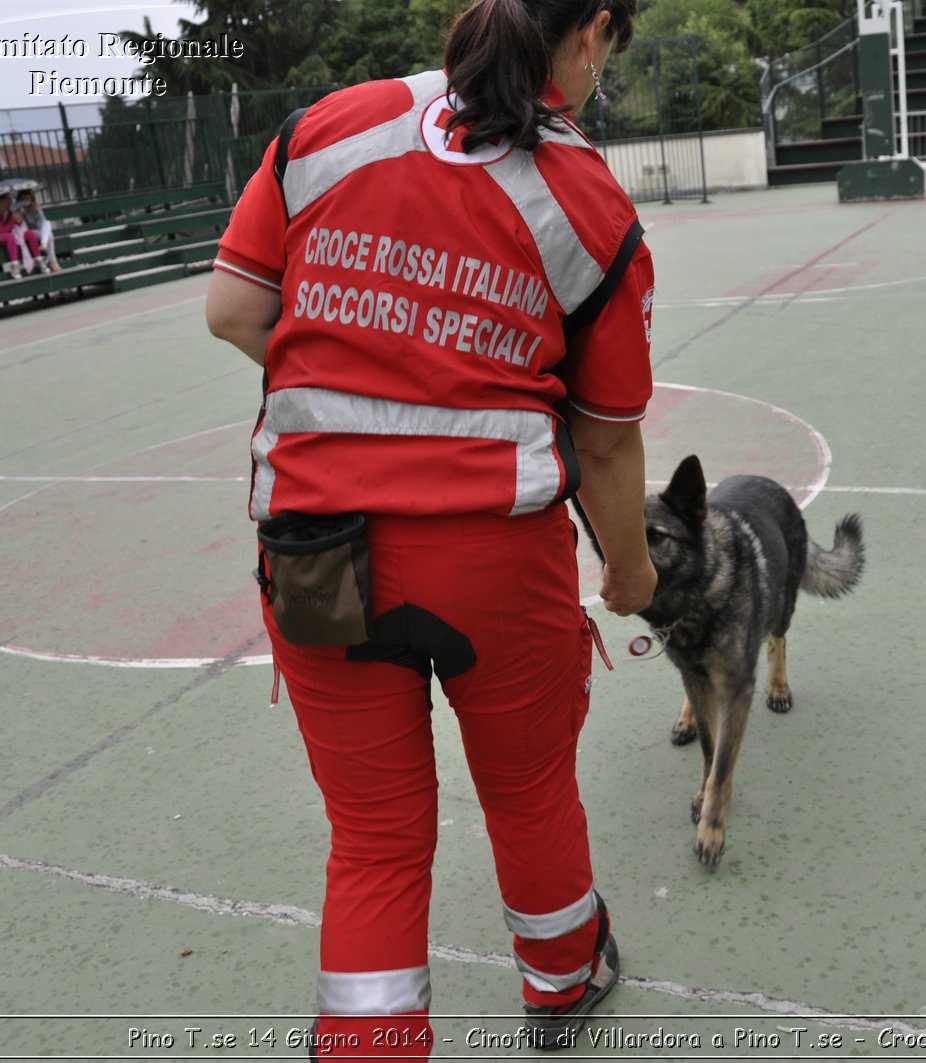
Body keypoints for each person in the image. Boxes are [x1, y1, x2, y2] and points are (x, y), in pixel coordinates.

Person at [204, 0, 655, 1053]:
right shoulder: (587, 201)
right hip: (492, 558)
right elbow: (605, 443)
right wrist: (628, 572)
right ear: (589, 35)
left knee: (372, 841)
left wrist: (361, 370)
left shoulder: (330, 127)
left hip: (316, 549)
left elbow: (233, 310)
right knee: (530, 793)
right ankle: (560, 982)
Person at [0, 193, 42, 278]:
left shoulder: (8, 212)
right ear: (1, 201)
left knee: (29, 234)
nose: (11, 200)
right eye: (8, 198)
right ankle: (14, 265)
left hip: (11, 237)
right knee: (10, 237)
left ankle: (38, 259)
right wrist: (13, 220)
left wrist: (19, 220)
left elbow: (15, 227)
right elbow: (1, 231)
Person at [14, 189, 61, 272]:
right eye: (24, 199)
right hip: (28, 232)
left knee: (47, 223)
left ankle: (44, 244)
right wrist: (21, 213)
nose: (27, 201)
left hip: (39, 232)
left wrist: (38, 212)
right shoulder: (19, 209)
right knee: (49, 235)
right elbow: (22, 226)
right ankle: (53, 262)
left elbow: (42, 224)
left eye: (28, 199)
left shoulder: (34, 207)